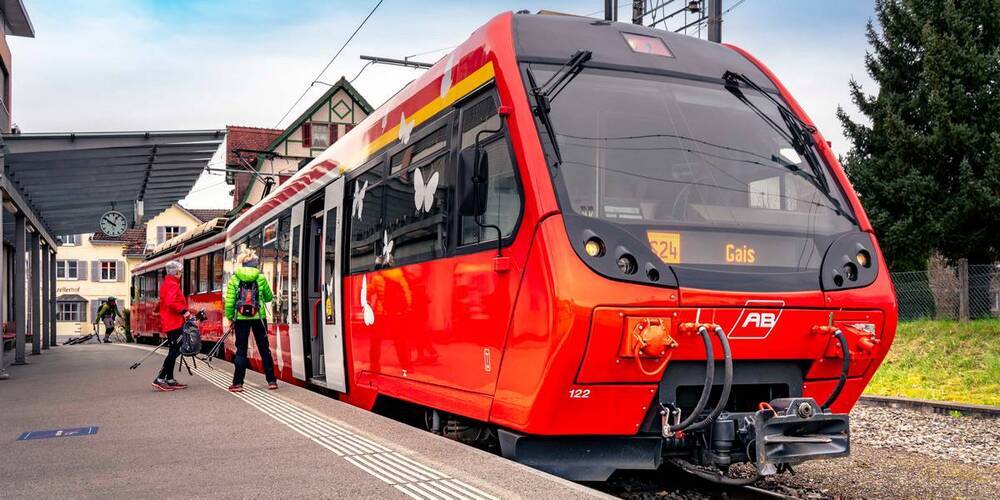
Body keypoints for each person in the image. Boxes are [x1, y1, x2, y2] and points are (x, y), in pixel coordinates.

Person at [224, 249, 277, 392]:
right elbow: (268, 298)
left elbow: (229, 302)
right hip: (259, 318)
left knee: (241, 350)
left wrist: (230, 318)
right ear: (255, 264)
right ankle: (271, 381)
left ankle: (238, 384)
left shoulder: (235, 279)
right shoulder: (260, 278)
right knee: (264, 349)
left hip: (241, 319)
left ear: (243, 263)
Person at [152, 260, 190, 392]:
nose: (181, 274)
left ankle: (170, 379)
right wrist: (184, 311)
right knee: (175, 350)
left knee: (174, 349)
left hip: (171, 321)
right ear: (177, 272)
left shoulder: (167, 283)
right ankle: (160, 378)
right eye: (180, 272)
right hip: (173, 322)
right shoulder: (172, 284)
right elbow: (170, 302)